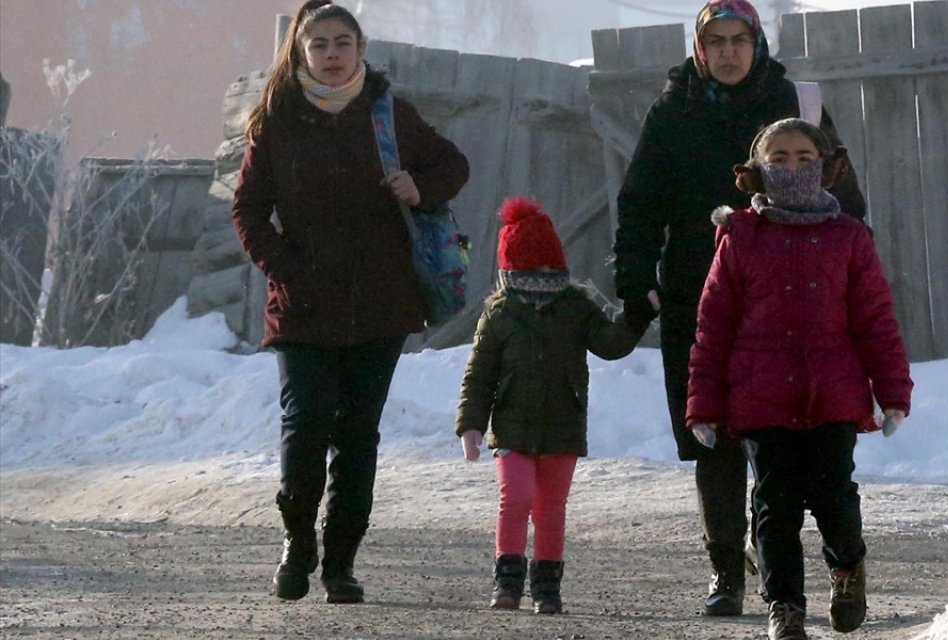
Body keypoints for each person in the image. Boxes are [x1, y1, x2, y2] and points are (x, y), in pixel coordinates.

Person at [611, 0, 868, 617]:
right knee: (711, 438)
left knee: (788, 447)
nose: (728, 52)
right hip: (699, 299)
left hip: (787, 309)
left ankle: (818, 565)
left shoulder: (795, 108)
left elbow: (845, 198)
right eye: (716, 41)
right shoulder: (673, 113)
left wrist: (850, 275)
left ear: (757, 44)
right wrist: (634, 275)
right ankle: (726, 571)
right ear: (700, 49)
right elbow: (641, 201)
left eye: (738, 40)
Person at [231, 0, 469, 604]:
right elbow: (249, 209)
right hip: (303, 303)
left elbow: (453, 164)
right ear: (301, 53)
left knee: (358, 434)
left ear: (360, 50)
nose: (332, 56)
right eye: (320, 46)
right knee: (305, 424)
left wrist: (420, 189)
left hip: (381, 302)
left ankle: (341, 562)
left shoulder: (389, 115)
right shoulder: (277, 121)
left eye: (343, 44)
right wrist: (284, 267)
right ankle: (296, 541)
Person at [685, 117, 911, 639]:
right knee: (773, 506)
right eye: (779, 158)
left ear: (826, 167)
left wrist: (893, 391)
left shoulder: (848, 237)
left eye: (804, 157)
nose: (792, 167)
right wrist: (704, 404)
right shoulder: (740, 236)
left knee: (835, 496)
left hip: (834, 393)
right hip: (760, 398)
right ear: (758, 171)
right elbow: (713, 326)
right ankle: (784, 605)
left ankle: (848, 570)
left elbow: (875, 319)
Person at [454, 197, 650, 615]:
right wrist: (470, 424)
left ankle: (547, 587)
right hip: (511, 428)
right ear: (512, 268)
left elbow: (610, 344)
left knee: (550, 509)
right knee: (516, 498)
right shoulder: (500, 313)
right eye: (531, 268)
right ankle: (507, 582)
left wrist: (637, 316)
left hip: (562, 424)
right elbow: (479, 375)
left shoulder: (575, 306)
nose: (541, 278)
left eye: (547, 267)